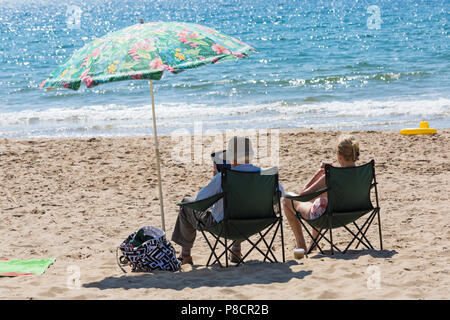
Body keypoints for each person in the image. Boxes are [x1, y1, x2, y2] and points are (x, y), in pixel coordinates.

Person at [171, 136, 284, 265]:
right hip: (259, 222)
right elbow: (280, 194)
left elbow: (199, 201)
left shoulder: (222, 178)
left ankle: (185, 255)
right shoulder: (268, 174)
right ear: (250, 156)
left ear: (232, 158)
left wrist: (215, 179)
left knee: (186, 204)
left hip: (225, 226)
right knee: (243, 207)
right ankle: (236, 250)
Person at [282, 134, 360, 255]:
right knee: (321, 197)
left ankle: (301, 245)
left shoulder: (331, 176)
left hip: (327, 216)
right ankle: (313, 245)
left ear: (339, 157)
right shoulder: (363, 173)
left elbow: (302, 194)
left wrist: (319, 172)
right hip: (353, 213)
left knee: (287, 199)